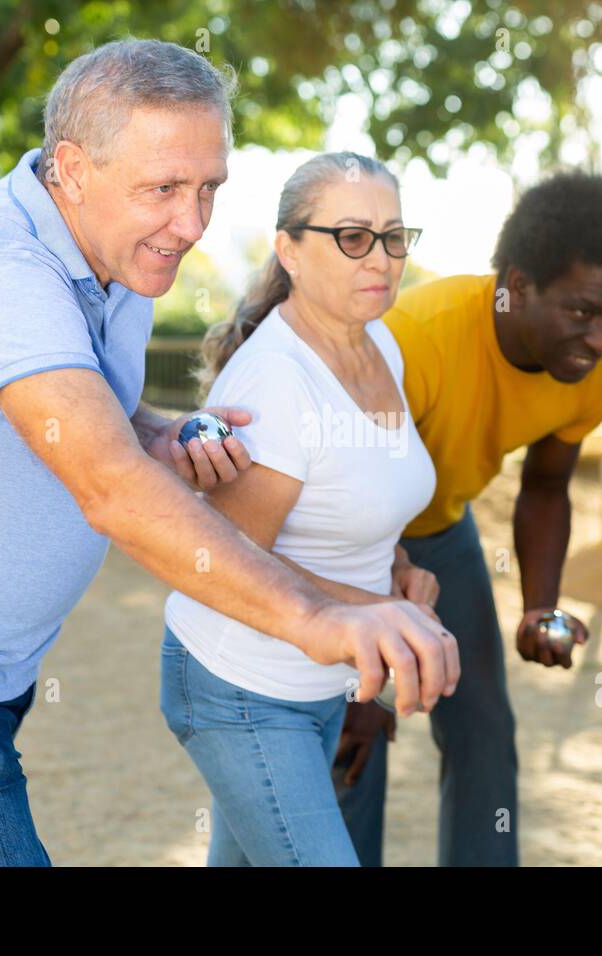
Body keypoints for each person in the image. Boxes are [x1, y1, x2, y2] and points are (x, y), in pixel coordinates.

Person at [0, 39, 457, 867]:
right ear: (71, 169)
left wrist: (157, 428)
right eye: (164, 189)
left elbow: (84, 406)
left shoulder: (114, 250)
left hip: (1, 655)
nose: (190, 225)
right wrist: (320, 616)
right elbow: (110, 488)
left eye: (208, 188)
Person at [333, 171, 602, 866]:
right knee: (354, 725)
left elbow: (546, 488)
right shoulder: (414, 340)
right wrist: (356, 676)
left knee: (484, 726)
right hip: (343, 538)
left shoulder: (594, 370)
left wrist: (538, 607)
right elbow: (343, 501)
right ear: (517, 281)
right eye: (582, 312)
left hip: (441, 532)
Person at [159, 151, 446, 866]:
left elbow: (358, 501)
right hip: (241, 688)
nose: (379, 257)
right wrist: (380, 613)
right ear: (288, 249)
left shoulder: (382, 342)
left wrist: (400, 573)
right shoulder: (276, 381)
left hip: (319, 678)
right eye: (351, 236)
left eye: (394, 235)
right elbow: (227, 558)